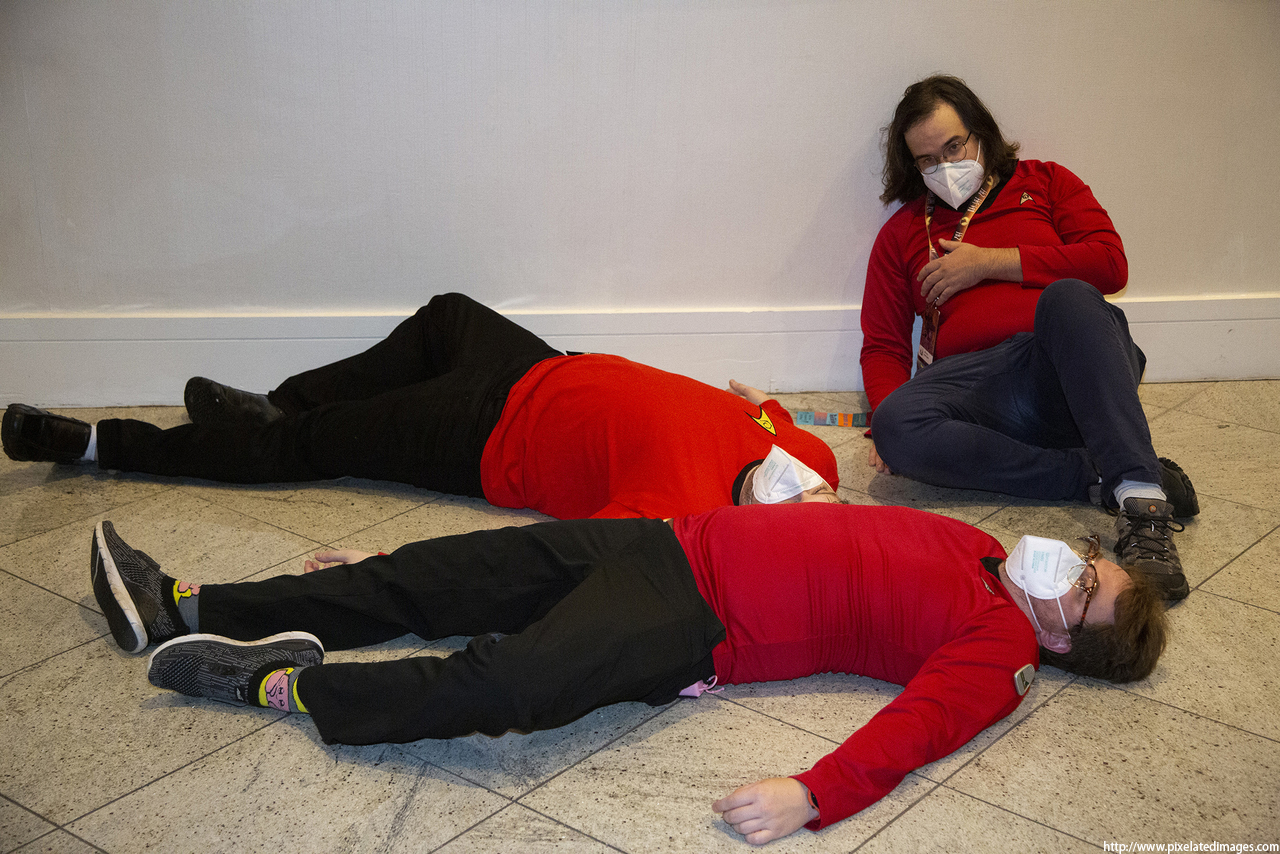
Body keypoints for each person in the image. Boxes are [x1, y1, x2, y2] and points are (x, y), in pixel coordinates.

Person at [90, 502, 1166, 845]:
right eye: (1087, 557)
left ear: (1062, 642)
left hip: (689, 620)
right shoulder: (972, 543)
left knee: (505, 687)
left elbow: (919, 728)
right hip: (661, 540)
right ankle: (186, 602)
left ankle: (280, 682)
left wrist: (813, 793)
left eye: (1082, 587)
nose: (1067, 565)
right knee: (433, 574)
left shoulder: (1000, 650)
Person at [2, 292, 838, 519]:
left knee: (320, 444)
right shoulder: (811, 459)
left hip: (487, 437)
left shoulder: (688, 523)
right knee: (447, 316)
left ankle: (104, 446)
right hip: (544, 367)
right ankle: (274, 405)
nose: (803, 492)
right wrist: (769, 408)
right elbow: (773, 415)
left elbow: (574, 562)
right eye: (818, 500)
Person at [860, 74, 1199, 602]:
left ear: (980, 133)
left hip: (1065, 366)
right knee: (894, 424)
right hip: (977, 391)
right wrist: (884, 421)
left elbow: (1110, 264)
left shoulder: (1046, 181)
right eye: (927, 160)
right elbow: (883, 345)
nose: (944, 166)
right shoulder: (901, 232)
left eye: (953, 147)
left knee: (1068, 298)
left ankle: (1143, 504)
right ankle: (1094, 474)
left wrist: (990, 264)